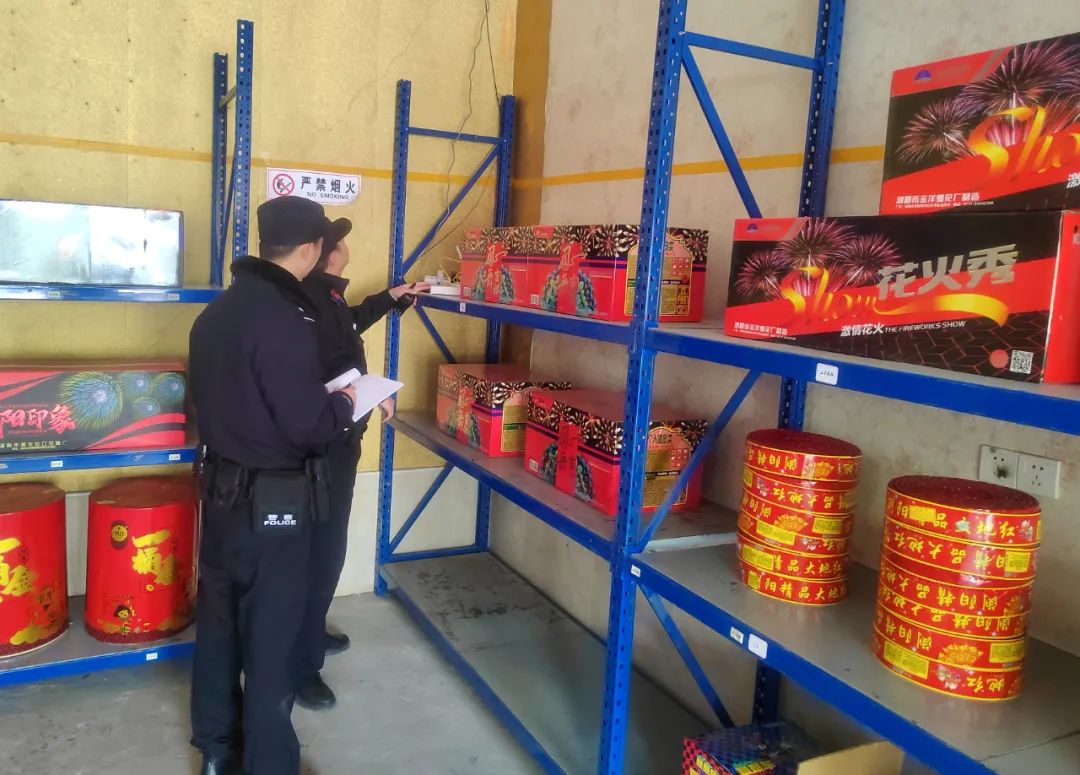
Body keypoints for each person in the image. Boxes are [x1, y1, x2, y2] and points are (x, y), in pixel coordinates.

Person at [188, 196, 357, 775]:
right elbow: (307, 423)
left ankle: (217, 752)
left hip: (220, 496)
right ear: (309, 249)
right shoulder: (285, 321)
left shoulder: (216, 313)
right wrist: (346, 403)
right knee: (271, 638)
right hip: (274, 506)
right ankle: (269, 763)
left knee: (218, 628)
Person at [294, 218, 430, 709]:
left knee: (326, 547)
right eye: (339, 240)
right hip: (325, 447)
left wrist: (390, 299)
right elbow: (324, 368)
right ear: (323, 252)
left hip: (337, 442)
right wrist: (363, 395)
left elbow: (348, 324)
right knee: (322, 551)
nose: (346, 245)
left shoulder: (324, 295)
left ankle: (310, 631)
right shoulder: (310, 300)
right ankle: (301, 666)